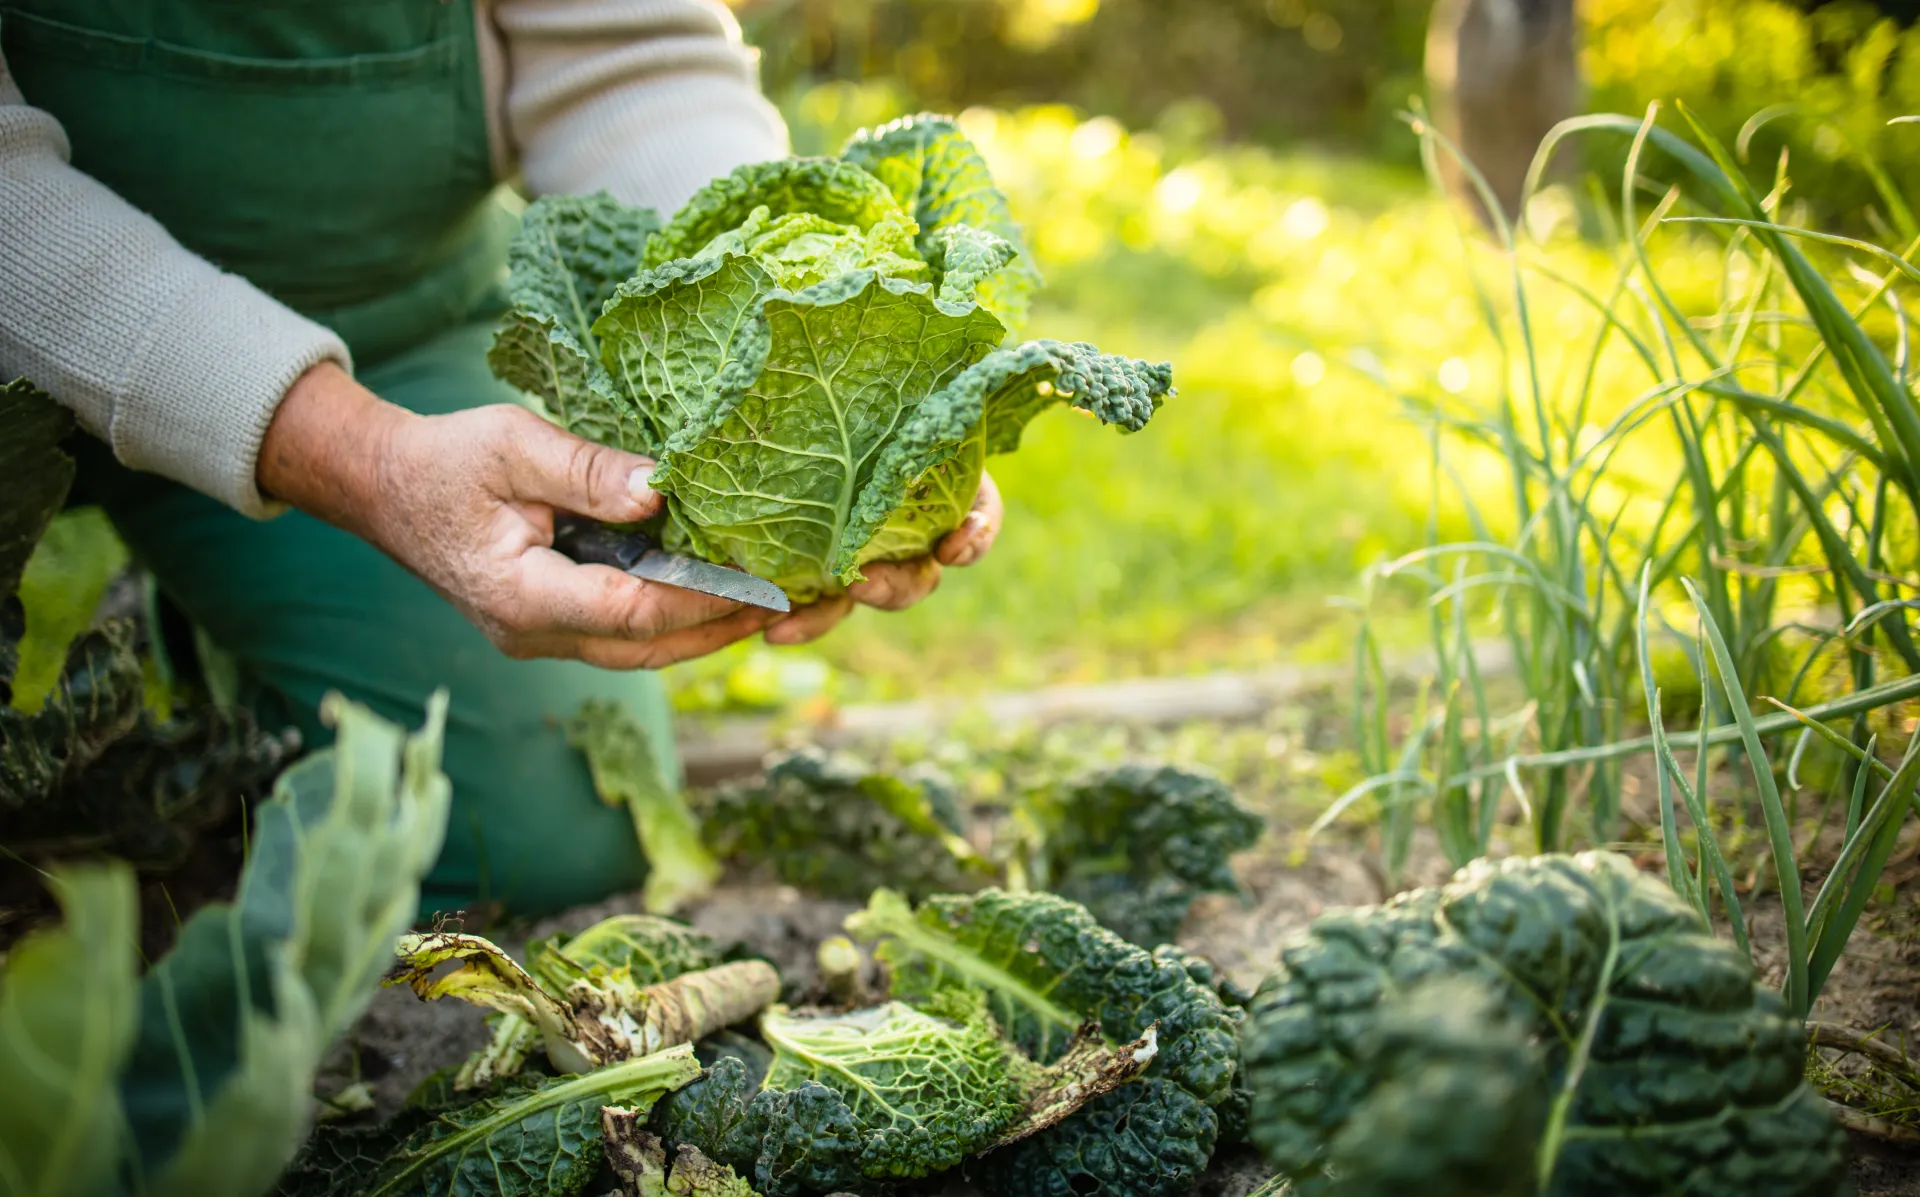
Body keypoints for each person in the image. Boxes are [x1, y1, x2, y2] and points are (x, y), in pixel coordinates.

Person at [0, 0, 1002, 916]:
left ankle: (211, 627)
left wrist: (845, 359)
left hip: (383, 328)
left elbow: (629, 56)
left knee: (543, 836)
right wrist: (354, 457)